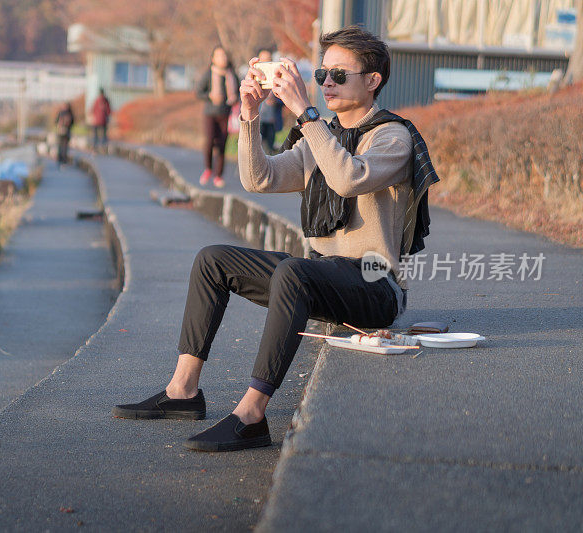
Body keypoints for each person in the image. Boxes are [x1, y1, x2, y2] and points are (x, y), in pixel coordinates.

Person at [113, 26, 438, 452]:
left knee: (293, 272)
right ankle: (183, 391)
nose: (327, 84)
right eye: (323, 74)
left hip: (375, 287)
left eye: (340, 75)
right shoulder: (323, 138)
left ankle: (251, 415)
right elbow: (258, 178)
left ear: (373, 80)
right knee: (214, 259)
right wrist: (248, 116)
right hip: (324, 275)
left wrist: (306, 114)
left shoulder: (391, 136)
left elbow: (346, 178)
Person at [196, 45, 239, 189]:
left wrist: (235, 99)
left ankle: (218, 175)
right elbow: (198, 92)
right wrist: (210, 96)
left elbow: (239, 91)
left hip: (226, 113)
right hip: (210, 113)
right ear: (213, 58)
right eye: (219, 55)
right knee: (209, 141)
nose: (222, 58)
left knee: (222, 144)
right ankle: (208, 168)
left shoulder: (232, 74)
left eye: (224, 55)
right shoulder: (209, 74)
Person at [256, 48, 284, 154]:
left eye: (268, 60)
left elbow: (285, 99)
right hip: (258, 119)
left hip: (272, 120)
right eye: (263, 60)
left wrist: (275, 101)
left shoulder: (278, 78)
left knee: (269, 151)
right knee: (256, 150)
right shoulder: (253, 78)